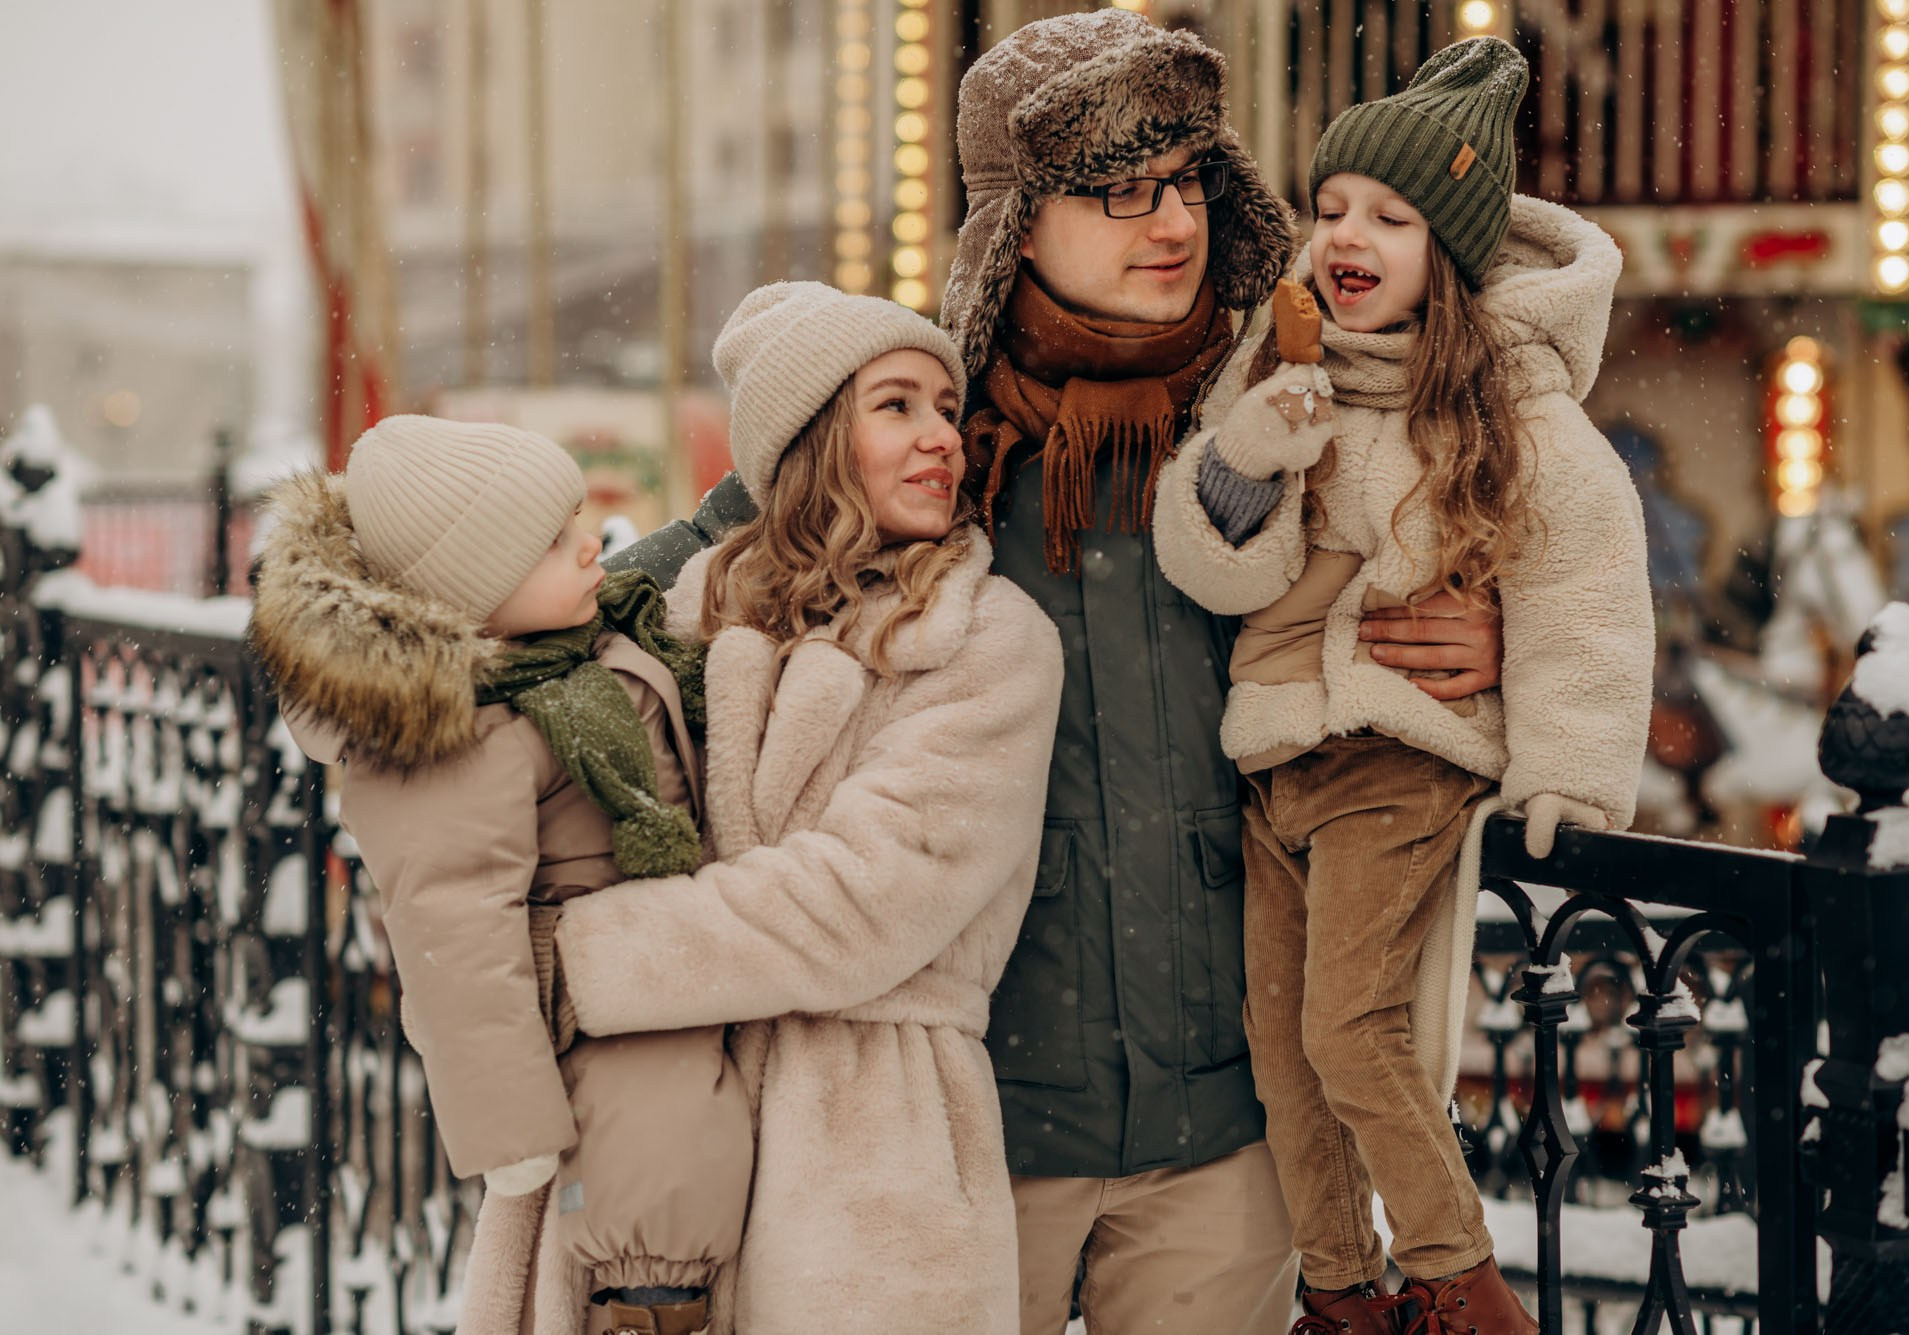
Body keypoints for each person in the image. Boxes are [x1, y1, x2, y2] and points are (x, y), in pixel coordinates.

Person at [607, 12, 1506, 1332]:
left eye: (1191, 181)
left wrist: (1500, 648)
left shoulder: (1295, 406)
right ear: (1022, 222)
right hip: (975, 1120)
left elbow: (1514, 539)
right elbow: (672, 580)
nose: (1174, 224)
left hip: (1225, 1124)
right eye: (1119, 192)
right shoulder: (921, 422)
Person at [1151, 38, 1654, 1335]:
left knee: (1349, 1028)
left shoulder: (1512, 413)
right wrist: (1253, 452)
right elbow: (1217, 569)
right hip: (1271, 754)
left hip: (1398, 755)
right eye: (1330, 211)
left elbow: (1580, 589)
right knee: (1282, 1044)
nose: (1347, 235)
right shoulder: (1276, 374)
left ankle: (1454, 1276)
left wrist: (1568, 768)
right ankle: (1338, 1289)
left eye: (1392, 215)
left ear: (1453, 252)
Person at [550, 282, 1065, 1335]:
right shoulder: (684, 615)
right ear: (812, 441)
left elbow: (859, 907)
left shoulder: (990, 640)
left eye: (942, 406)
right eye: (895, 406)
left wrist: (573, 959)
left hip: (871, 1144)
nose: (942, 439)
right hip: (661, 1121)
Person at [248, 415, 752, 1335]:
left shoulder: (573, 653)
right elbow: (453, 942)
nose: (593, 541)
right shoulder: (470, 735)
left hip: (668, 1002)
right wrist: (512, 1136)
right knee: (658, 1215)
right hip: (608, 1041)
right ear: (477, 599)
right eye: (557, 543)